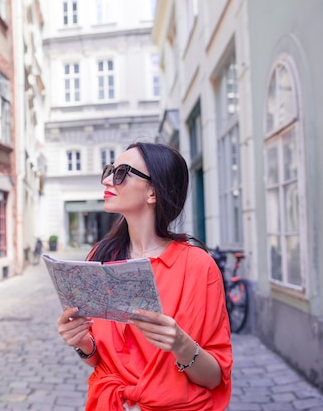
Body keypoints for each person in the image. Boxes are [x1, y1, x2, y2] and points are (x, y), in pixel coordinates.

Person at [56, 142, 232, 411]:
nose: (107, 180)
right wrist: (81, 342)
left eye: (121, 173)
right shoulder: (100, 257)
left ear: (153, 191)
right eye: (109, 170)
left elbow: (214, 378)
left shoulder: (197, 266)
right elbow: (99, 359)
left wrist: (181, 344)